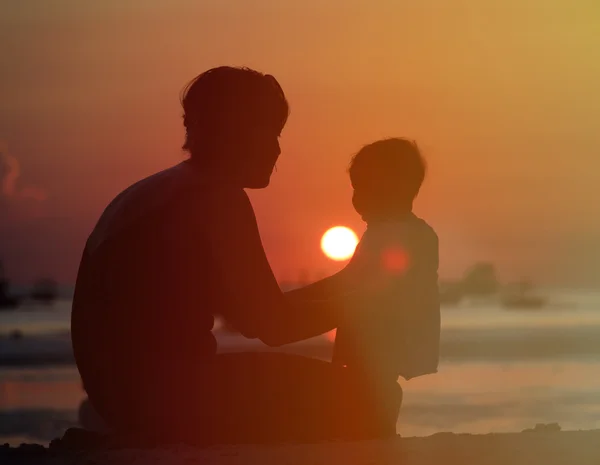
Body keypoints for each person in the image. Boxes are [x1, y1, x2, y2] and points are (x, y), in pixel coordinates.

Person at [71, 66, 401, 445]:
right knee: (371, 398)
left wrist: (346, 285)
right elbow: (272, 325)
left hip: (121, 394)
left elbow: (254, 312)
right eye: (268, 131)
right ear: (231, 130)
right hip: (164, 396)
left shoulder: (160, 191)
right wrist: (371, 302)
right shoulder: (216, 198)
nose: (277, 148)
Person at [287, 139, 440, 391]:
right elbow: (347, 280)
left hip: (382, 345)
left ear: (398, 188)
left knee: (370, 393)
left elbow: (374, 292)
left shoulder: (410, 236)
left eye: (365, 188)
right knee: (359, 389)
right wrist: (293, 301)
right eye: (355, 189)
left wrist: (299, 305)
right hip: (368, 346)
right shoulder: (382, 233)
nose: (357, 199)